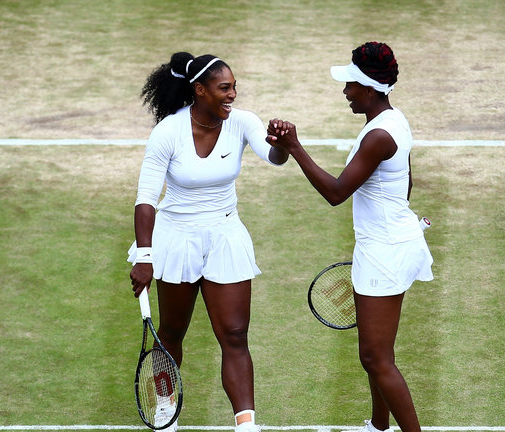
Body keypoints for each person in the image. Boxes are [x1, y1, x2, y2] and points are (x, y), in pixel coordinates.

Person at [266, 42, 433, 432]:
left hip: (385, 251)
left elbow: (336, 193)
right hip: (388, 243)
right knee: (375, 353)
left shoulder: (378, 136)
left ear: (370, 88)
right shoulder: (393, 121)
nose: (345, 93)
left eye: (351, 86)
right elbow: (405, 182)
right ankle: (378, 427)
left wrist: (295, 147)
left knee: (376, 358)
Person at [128, 52, 289, 432]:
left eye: (234, 87)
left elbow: (276, 158)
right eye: (224, 88)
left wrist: (282, 143)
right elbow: (146, 199)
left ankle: (246, 423)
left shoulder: (243, 122)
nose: (233, 94)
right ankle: (166, 406)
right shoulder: (168, 132)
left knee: (234, 334)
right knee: (170, 333)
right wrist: (145, 257)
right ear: (199, 91)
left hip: (225, 235)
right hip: (176, 238)